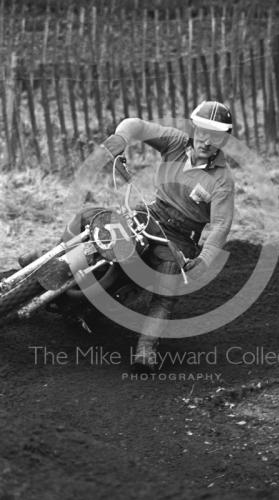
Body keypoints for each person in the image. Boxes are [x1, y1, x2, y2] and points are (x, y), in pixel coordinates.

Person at [79, 101, 235, 371]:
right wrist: (121, 138)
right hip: (151, 214)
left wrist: (206, 259)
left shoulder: (222, 180)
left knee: (167, 284)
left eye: (216, 136)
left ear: (224, 139)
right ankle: (51, 264)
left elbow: (220, 225)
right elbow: (136, 125)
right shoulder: (175, 142)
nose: (207, 141)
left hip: (180, 238)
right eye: (203, 132)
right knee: (99, 226)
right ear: (195, 128)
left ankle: (146, 351)